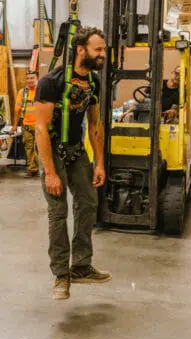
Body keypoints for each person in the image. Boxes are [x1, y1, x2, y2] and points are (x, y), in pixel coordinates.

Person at [35, 27, 112, 301]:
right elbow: (41, 129)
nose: (103, 54)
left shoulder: (93, 82)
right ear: (81, 50)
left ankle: (80, 266)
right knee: (58, 212)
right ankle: (60, 276)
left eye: (103, 49)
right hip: (52, 149)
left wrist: (99, 163)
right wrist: (51, 173)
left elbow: (94, 125)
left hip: (76, 150)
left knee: (88, 202)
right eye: (98, 50)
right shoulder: (51, 82)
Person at [11, 70, 39, 177]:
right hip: (26, 125)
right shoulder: (22, 92)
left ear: (37, 79)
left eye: (32, 78)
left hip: (40, 126)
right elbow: (17, 110)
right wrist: (14, 126)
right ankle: (32, 169)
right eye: (28, 78)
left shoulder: (41, 91)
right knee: (29, 147)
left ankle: (44, 170)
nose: (30, 80)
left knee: (40, 149)